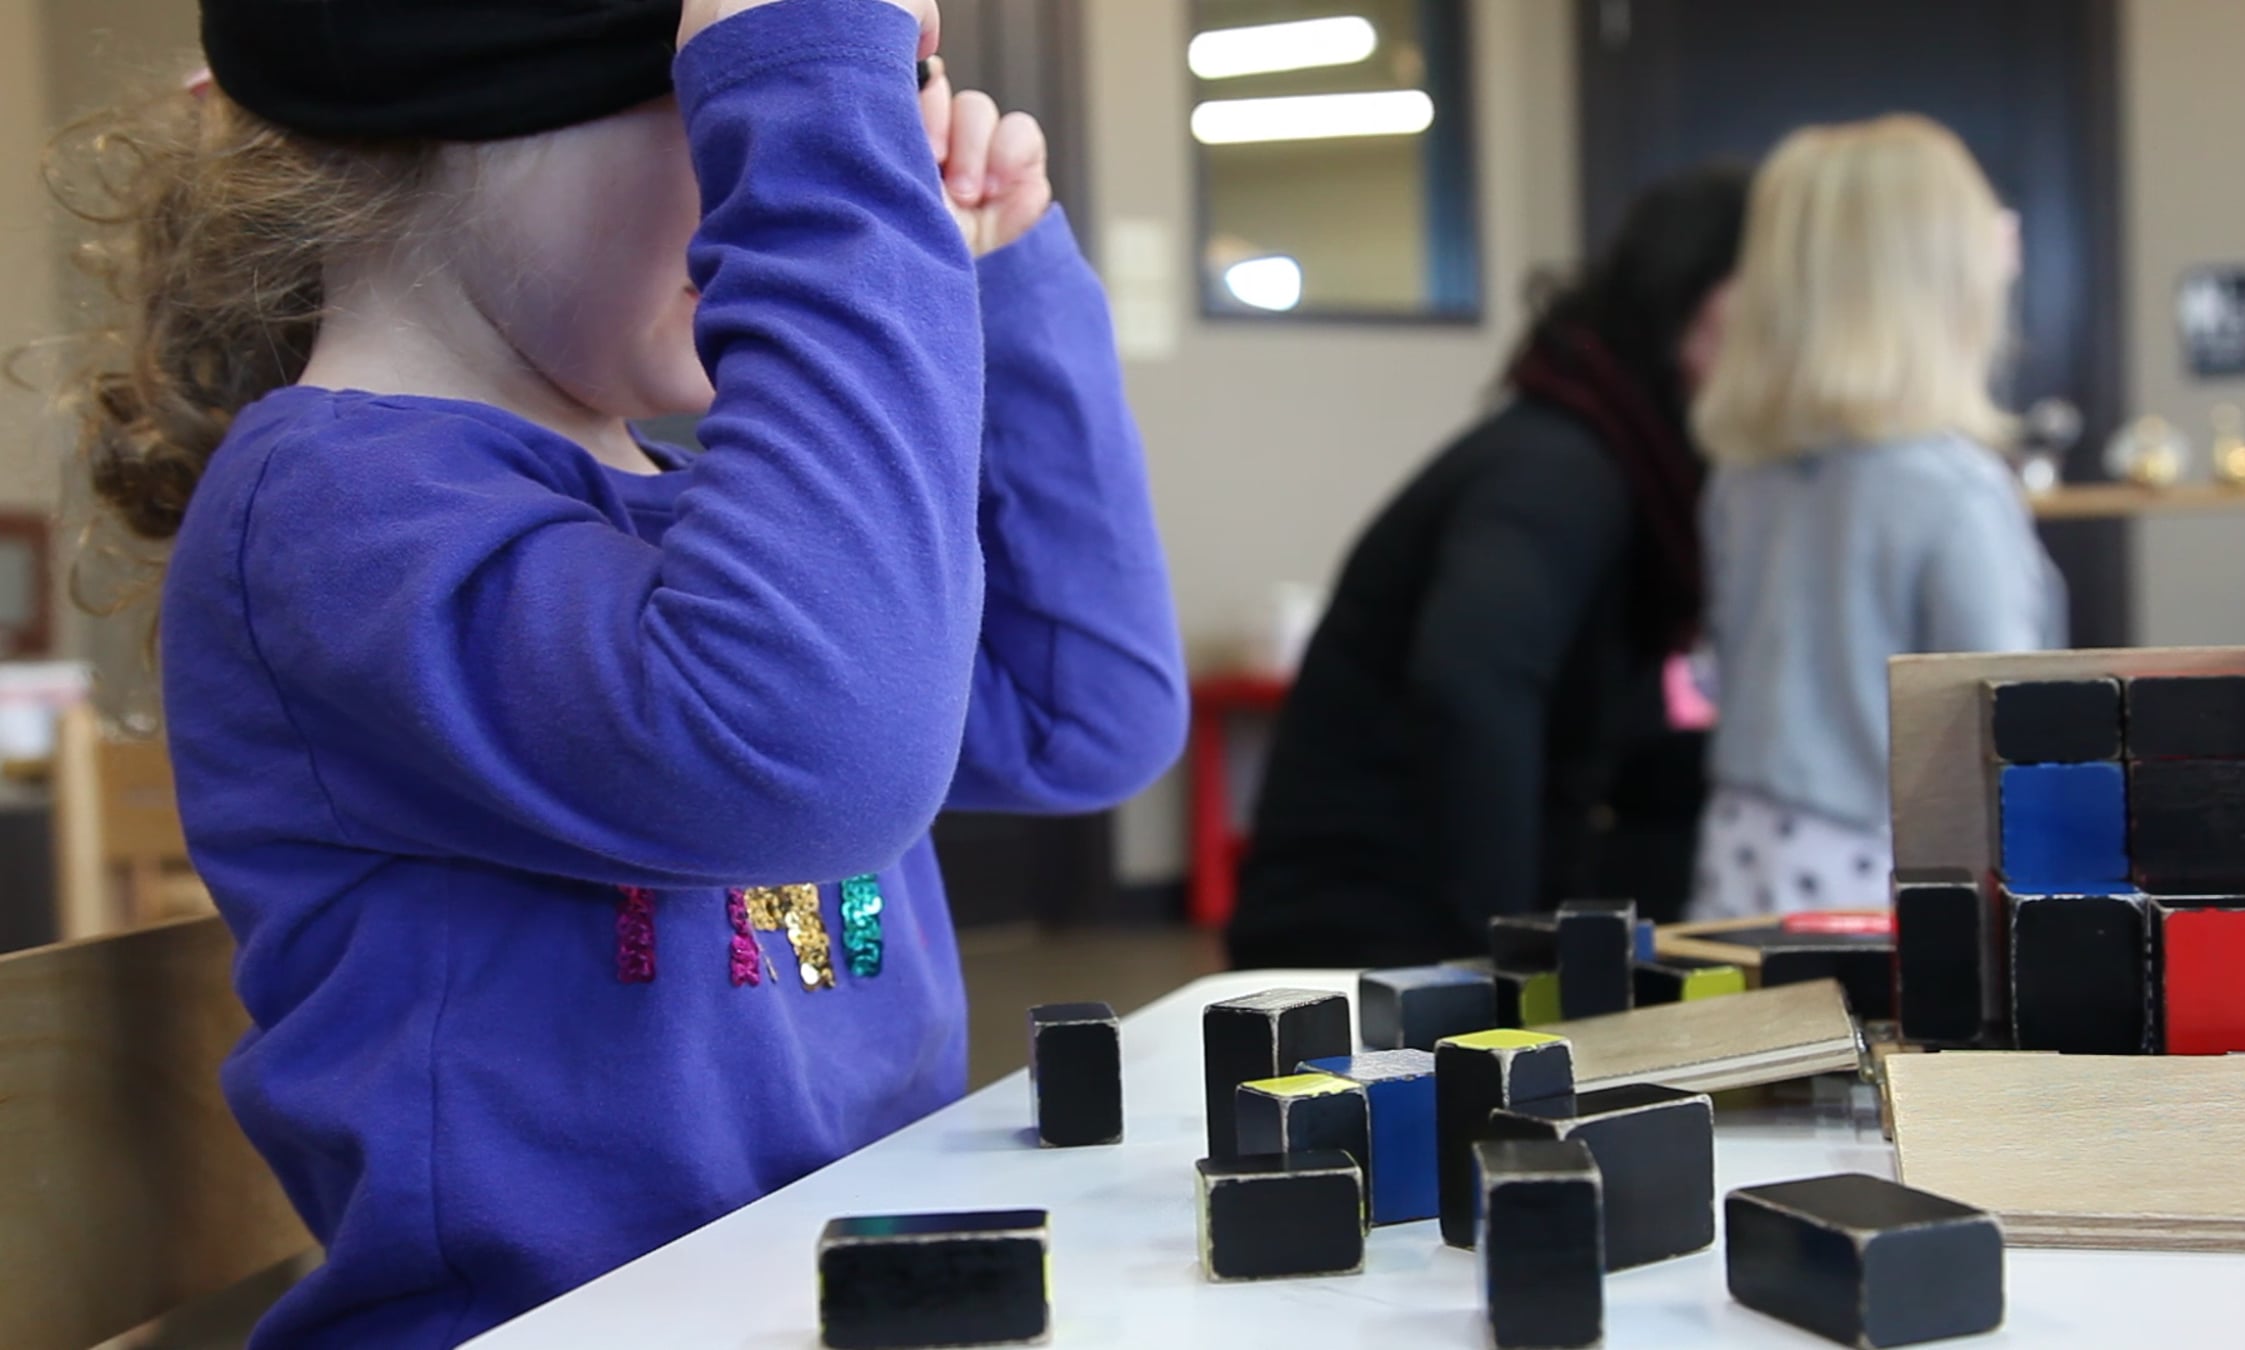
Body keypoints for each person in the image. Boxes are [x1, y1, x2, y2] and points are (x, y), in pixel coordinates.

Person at [56, 0, 1184, 1344]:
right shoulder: (332, 516)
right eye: (726, 108)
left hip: (839, 1298)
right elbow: (804, 753)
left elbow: (1079, 716)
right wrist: (817, 141)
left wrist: (991, 286)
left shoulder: (703, 512)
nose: (782, 166)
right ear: (465, 121)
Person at [1226, 166, 1752, 970]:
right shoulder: (1558, 468)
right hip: (1368, 935)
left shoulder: (1615, 456)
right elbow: (1474, 687)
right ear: (1695, 297)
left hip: (1416, 904)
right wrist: (1509, 959)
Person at [1687, 114, 2061, 919]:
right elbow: (2009, 723)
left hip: (1741, 846)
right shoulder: (1954, 490)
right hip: (1888, 867)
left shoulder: (1743, 475)